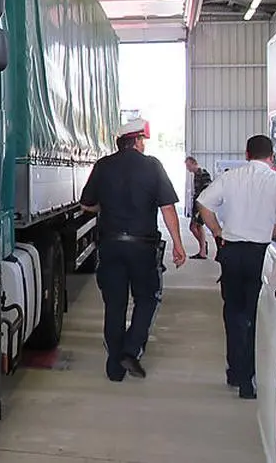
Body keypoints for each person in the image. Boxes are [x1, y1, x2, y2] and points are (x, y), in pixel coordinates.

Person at [80, 118, 188, 382]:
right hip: (142, 247)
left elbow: (87, 205)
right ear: (137, 141)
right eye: (143, 140)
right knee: (148, 298)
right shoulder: (152, 166)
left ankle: (114, 367)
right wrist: (177, 243)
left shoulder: (103, 166)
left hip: (111, 244)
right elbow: (167, 208)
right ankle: (130, 349)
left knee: (114, 304)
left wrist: (105, 207)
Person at [195, 135, 276, 400]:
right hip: (260, 253)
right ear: (271, 156)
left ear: (247, 154)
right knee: (256, 315)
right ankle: (250, 378)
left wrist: (217, 232)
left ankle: (235, 371)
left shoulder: (230, 177)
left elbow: (203, 203)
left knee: (233, 313)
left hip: (232, 252)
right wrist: (264, 231)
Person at [185, 156, 215, 259]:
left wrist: (202, 204)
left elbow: (208, 189)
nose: (187, 168)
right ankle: (202, 247)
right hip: (197, 203)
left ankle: (202, 249)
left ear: (194, 163)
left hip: (202, 204)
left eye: (188, 165)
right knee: (195, 226)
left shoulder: (203, 173)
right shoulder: (196, 175)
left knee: (195, 226)